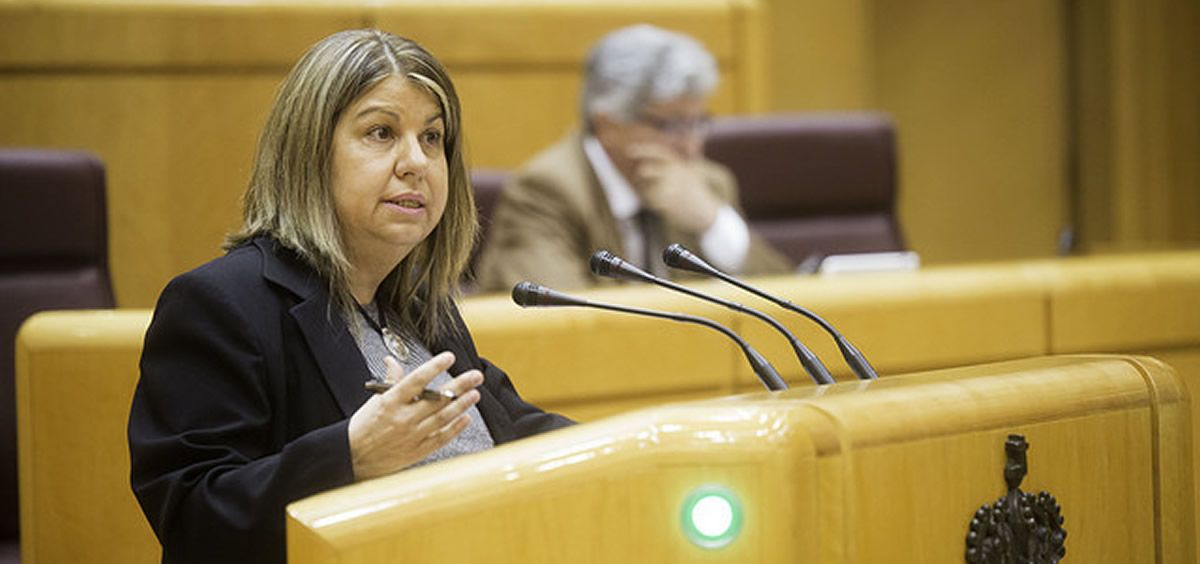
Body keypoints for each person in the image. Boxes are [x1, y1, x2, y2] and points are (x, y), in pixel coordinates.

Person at [126, 29, 573, 564]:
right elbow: (192, 516)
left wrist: (649, 445)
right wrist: (350, 456)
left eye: (432, 138)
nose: (417, 162)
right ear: (310, 152)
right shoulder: (222, 304)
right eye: (382, 133)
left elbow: (513, 425)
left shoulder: (418, 304)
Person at [474, 24, 790, 293]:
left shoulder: (706, 183)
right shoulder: (546, 192)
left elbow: (787, 298)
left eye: (697, 122)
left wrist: (713, 222)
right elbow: (557, 321)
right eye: (670, 125)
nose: (690, 147)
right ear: (608, 124)